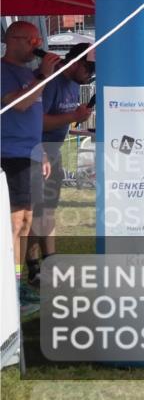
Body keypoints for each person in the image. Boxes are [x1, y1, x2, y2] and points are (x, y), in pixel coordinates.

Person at [1, 22, 61, 315]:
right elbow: (19, 105)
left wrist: (42, 153)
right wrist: (42, 75)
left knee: (26, 221)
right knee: (14, 223)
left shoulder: (28, 74)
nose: (37, 44)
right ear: (14, 40)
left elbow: (34, 118)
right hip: (10, 155)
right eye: (32, 40)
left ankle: (19, 281)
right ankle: (9, 286)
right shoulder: (5, 71)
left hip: (31, 155)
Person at [28, 43, 95, 280]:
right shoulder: (53, 82)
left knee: (47, 210)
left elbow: (64, 119)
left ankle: (50, 262)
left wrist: (77, 117)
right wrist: (72, 116)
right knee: (35, 212)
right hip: (37, 151)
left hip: (53, 151)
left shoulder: (73, 85)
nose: (91, 75)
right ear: (75, 62)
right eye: (89, 69)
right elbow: (38, 122)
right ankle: (33, 266)